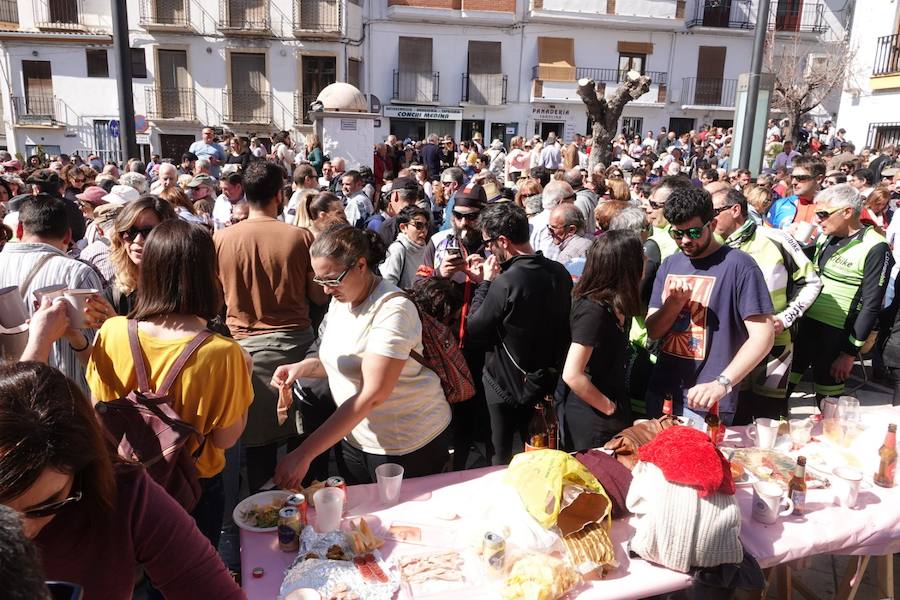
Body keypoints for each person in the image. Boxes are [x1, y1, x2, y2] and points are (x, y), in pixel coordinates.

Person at [0, 362, 243, 600]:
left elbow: (208, 588)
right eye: (4, 512)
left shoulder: (123, 492)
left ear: (85, 470)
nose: (24, 530)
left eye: (46, 506)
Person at [87, 219, 252, 548]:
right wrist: (244, 376)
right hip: (193, 487)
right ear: (208, 273)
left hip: (126, 484)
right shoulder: (223, 353)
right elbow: (226, 437)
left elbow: (97, 410)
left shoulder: (113, 331)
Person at [271, 226, 451, 488]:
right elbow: (340, 360)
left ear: (361, 265)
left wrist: (304, 452)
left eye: (332, 279)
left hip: (407, 443)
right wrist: (302, 368)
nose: (326, 291)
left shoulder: (393, 309)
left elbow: (374, 393)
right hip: (354, 439)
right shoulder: (341, 300)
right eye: (320, 281)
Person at [214, 161, 327, 492]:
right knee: (304, 450)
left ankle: (261, 524)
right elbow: (318, 297)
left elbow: (216, 301)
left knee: (257, 453)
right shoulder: (300, 237)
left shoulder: (220, 239)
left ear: (244, 195)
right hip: (298, 350)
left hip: (246, 354)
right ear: (280, 195)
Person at [645, 187, 775, 425]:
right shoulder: (670, 264)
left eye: (694, 232)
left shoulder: (740, 266)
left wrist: (722, 383)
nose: (685, 240)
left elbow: (763, 337)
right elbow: (653, 330)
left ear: (712, 225)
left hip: (708, 401)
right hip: (663, 393)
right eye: (677, 233)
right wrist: (673, 305)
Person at [464, 202, 573, 464]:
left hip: (504, 385)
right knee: (539, 454)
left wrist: (485, 284)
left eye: (489, 243)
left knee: (501, 458)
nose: (488, 248)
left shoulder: (505, 282)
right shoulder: (558, 272)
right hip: (545, 381)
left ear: (503, 241)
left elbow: (475, 327)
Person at [709, 185, 822, 421]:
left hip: (775, 346)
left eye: (714, 211)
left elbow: (812, 282)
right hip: (732, 345)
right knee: (733, 414)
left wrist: (785, 318)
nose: (710, 218)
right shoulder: (713, 245)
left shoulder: (776, 238)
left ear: (735, 210)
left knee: (766, 416)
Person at [788, 184, 893, 400]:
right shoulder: (827, 236)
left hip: (836, 336)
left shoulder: (876, 246)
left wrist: (849, 354)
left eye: (823, 214)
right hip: (805, 326)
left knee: (828, 408)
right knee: (777, 396)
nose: (818, 220)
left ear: (846, 212)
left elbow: (872, 304)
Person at [0, 195, 103, 389]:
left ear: (20, 229)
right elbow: (100, 349)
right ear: (67, 236)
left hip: (7, 399)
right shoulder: (77, 273)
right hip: (65, 401)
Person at [559, 231, 640, 450]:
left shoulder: (618, 303)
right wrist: (610, 409)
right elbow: (572, 374)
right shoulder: (593, 310)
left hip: (611, 408)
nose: (646, 259)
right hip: (591, 418)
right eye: (639, 254)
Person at [107, 196, 178, 316]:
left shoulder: (183, 291)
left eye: (149, 232)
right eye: (130, 231)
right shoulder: (117, 294)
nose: (138, 240)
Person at [768, 156, 827, 233]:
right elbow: (765, 236)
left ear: (819, 179)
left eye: (801, 178)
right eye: (792, 177)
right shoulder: (780, 204)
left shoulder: (834, 207)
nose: (793, 182)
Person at [381, 205, 429, 289]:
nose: (424, 230)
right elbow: (388, 284)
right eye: (418, 225)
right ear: (403, 228)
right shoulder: (397, 249)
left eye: (426, 226)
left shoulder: (427, 249)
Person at [547, 203, 592, 268]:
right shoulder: (593, 241)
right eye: (549, 228)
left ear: (571, 230)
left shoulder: (567, 256)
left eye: (554, 228)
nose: (549, 233)